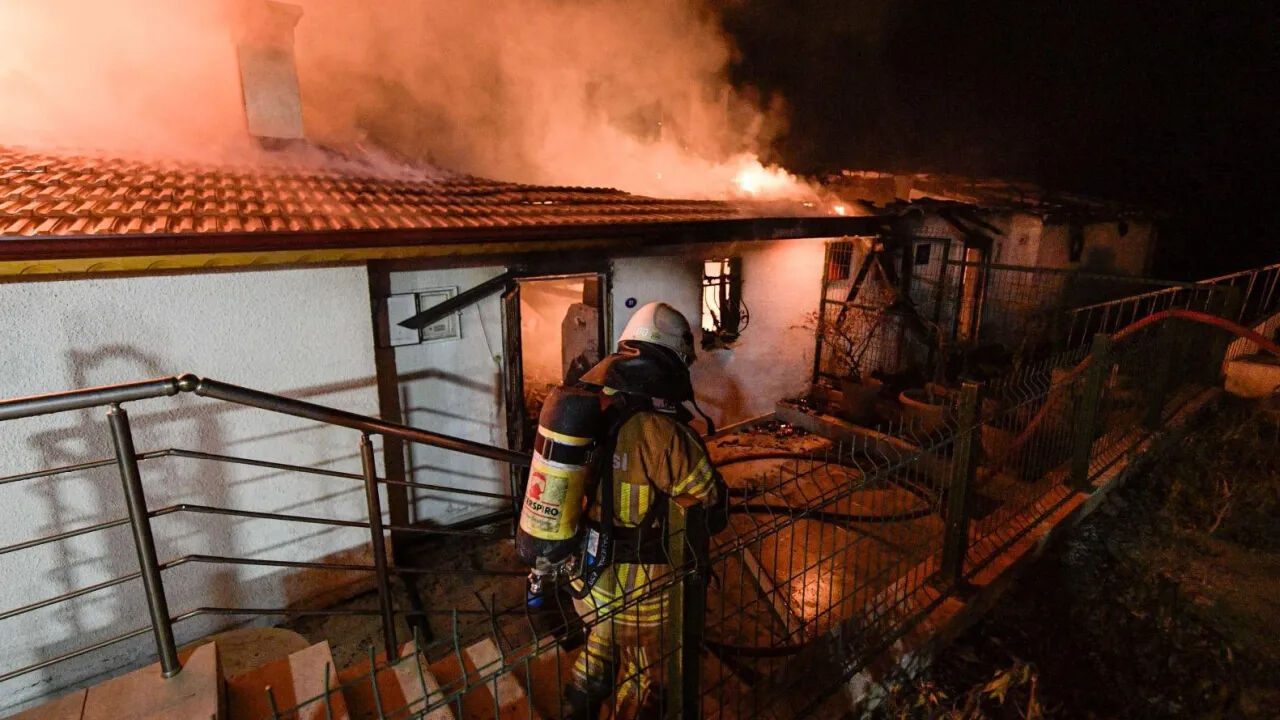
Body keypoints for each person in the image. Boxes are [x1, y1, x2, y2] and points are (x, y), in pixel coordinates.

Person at [563, 301, 726, 720]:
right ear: (670, 361)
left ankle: (576, 711)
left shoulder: (590, 411)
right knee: (647, 678)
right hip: (646, 603)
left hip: (591, 589)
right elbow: (710, 506)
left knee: (599, 650)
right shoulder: (664, 434)